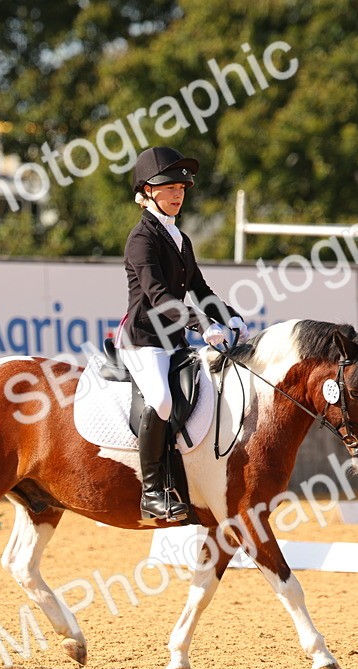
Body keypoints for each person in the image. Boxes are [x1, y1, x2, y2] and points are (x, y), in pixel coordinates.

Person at [117, 145, 250, 524]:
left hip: (172, 339)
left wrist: (230, 316)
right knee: (160, 401)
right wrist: (201, 325)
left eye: (181, 188)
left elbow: (201, 289)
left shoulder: (180, 239)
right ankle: (152, 492)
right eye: (168, 188)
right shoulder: (141, 240)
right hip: (144, 338)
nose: (177, 194)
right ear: (146, 193)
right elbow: (158, 297)